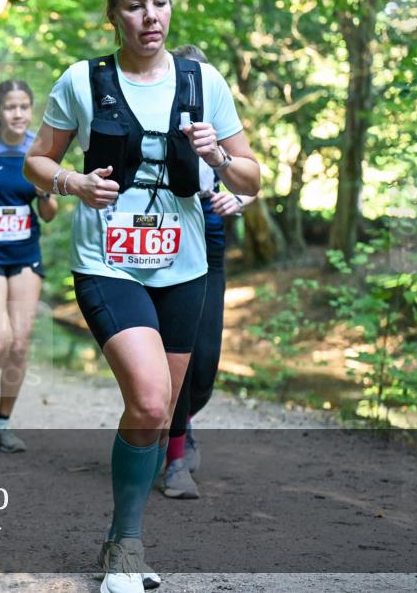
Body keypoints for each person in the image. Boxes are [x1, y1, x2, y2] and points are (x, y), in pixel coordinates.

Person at [23, 0, 259, 593]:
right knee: (152, 397)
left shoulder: (202, 80)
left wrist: (217, 155)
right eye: (134, 4)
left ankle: (117, 538)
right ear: (113, 15)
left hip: (184, 267)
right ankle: (127, 549)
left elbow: (252, 176)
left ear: (171, 7)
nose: (149, 16)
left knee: (156, 416)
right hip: (107, 261)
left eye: (158, 2)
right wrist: (73, 181)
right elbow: (37, 163)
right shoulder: (82, 80)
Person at [160, 44, 257, 500]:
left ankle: (183, 420)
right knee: (167, 355)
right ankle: (174, 457)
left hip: (210, 230)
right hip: (160, 231)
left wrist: (237, 199)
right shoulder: (156, 111)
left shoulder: (217, 115)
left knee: (203, 363)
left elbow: (252, 177)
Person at [0, 80, 57, 452]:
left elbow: (48, 215)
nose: (17, 114)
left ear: (31, 110)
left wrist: (45, 191)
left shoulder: (40, 148)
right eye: (9, 107)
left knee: (18, 345)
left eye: (23, 107)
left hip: (24, 254)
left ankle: (3, 422)